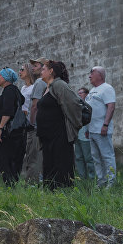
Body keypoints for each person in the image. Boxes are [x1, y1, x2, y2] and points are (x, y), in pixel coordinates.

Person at [38, 60, 80, 190]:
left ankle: (64, 191)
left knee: (61, 164)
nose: (41, 71)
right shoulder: (48, 87)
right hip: (47, 137)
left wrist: (75, 125)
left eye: (43, 69)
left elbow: (73, 105)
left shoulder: (59, 85)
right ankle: (51, 192)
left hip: (59, 135)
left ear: (51, 71)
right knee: (49, 165)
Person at [0, 67, 26, 186]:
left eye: (0, 76)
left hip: (7, 134)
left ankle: (11, 186)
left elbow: (8, 112)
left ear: (6, 78)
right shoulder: (12, 91)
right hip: (11, 134)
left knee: (4, 161)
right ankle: (11, 186)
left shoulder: (9, 90)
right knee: (7, 161)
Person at [85, 66, 117, 188]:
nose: (89, 76)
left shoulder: (107, 88)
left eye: (91, 73)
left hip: (102, 129)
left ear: (100, 75)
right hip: (92, 130)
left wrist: (105, 124)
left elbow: (111, 107)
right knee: (96, 158)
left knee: (107, 156)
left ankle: (111, 181)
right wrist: (87, 129)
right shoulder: (93, 90)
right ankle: (101, 180)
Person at [19, 62, 42, 183]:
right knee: (28, 153)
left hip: (32, 122)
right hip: (24, 124)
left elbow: (34, 106)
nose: (20, 71)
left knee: (34, 153)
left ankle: (35, 180)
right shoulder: (23, 88)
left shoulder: (34, 87)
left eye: (22, 69)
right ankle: (31, 178)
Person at [74, 88, 95, 180]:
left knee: (88, 158)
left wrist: (88, 130)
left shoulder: (88, 105)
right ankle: (82, 178)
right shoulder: (77, 105)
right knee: (78, 157)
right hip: (77, 134)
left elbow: (90, 120)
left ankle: (92, 177)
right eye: (78, 93)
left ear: (86, 94)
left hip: (86, 134)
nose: (79, 95)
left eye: (81, 93)